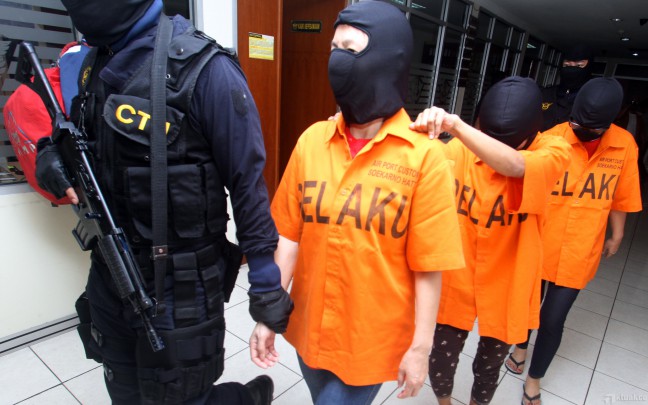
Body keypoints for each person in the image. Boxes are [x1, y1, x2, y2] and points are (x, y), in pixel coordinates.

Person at [33, 0, 293, 403]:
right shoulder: (89, 64)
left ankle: (246, 398)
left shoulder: (208, 70)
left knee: (180, 396)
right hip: (110, 271)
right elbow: (73, 133)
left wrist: (266, 289)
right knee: (126, 392)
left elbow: (248, 189)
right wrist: (49, 153)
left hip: (181, 284)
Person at [253, 1, 466, 403]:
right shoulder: (312, 140)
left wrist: (421, 348)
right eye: (334, 49)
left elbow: (429, 265)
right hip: (309, 327)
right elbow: (289, 237)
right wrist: (269, 310)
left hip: (370, 341)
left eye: (351, 50)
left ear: (387, 60)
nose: (338, 61)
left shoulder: (424, 157)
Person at [409, 77, 571, 405]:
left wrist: (455, 125)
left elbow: (515, 165)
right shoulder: (457, 150)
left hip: (509, 276)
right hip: (457, 272)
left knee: (489, 363)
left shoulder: (554, 150)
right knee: (442, 356)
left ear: (532, 135)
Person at [505, 77, 643, 405]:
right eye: (579, 125)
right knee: (527, 307)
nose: (584, 132)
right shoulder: (551, 138)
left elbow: (622, 195)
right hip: (540, 239)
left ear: (611, 120)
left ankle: (534, 380)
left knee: (553, 319)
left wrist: (618, 233)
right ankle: (520, 348)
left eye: (593, 129)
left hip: (581, 247)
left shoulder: (624, 145)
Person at [541, 45, 593, 131]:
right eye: (567, 65)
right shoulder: (546, 93)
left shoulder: (592, 101)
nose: (572, 69)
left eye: (579, 65)